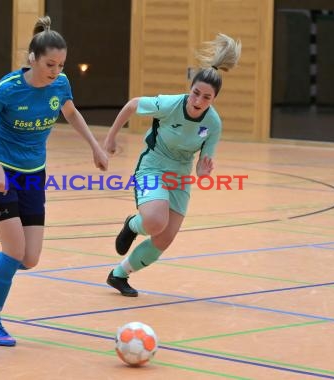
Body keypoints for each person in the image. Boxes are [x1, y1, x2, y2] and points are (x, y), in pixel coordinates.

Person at [0, 15, 108, 346]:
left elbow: (70, 113)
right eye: (49, 64)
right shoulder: (8, 89)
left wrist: (95, 145)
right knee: (13, 251)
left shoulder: (60, 83)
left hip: (33, 176)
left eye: (60, 65)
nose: (55, 71)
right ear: (32, 59)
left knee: (29, 258)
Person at [103, 33, 241, 297]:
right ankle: (133, 225)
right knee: (155, 221)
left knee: (164, 238)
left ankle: (119, 275)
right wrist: (110, 138)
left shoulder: (213, 124)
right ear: (190, 89)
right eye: (196, 93)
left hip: (180, 174)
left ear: (213, 100)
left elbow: (203, 163)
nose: (198, 101)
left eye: (206, 98)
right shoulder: (170, 104)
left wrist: (203, 171)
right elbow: (132, 105)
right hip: (153, 165)